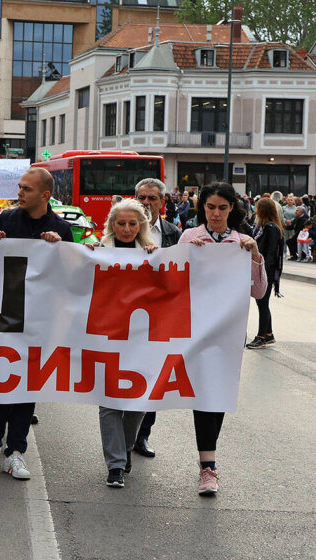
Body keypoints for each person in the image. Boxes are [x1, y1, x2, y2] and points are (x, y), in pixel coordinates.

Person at [0, 167, 73, 480]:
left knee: (27, 384)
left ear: (45, 195)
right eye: (19, 187)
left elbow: (72, 274)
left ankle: (15, 451)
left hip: (39, 320)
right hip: (5, 316)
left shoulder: (61, 227)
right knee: (1, 380)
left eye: (26, 189)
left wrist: (60, 249)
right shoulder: (5, 220)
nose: (19, 193)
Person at [180, 182, 266, 495]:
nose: (216, 214)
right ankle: (209, 466)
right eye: (211, 207)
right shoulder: (190, 237)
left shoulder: (242, 241)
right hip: (197, 331)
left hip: (229, 334)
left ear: (232, 210)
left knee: (220, 396)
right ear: (202, 208)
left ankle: (207, 459)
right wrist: (189, 257)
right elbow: (173, 283)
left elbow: (258, 291)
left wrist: (255, 256)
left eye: (223, 208)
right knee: (203, 395)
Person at [85, 198, 157, 488]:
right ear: (111, 225)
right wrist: (85, 255)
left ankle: (125, 448)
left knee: (139, 402)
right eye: (121, 223)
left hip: (142, 341)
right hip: (107, 338)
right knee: (110, 404)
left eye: (132, 223)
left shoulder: (155, 255)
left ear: (141, 225)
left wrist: (159, 259)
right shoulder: (98, 251)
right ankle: (115, 465)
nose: (127, 229)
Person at [131, 178, 182, 458]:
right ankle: (123, 438)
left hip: (159, 320)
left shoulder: (174, 234)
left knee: (153, 381)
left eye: (152, 198)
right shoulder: (123, 228)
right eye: (142, 197)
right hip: (127, 320)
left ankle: (143, 435)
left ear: (162, 202)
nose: (147, 203)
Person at [246, 198, 283, 349]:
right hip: (262, 269)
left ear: (264, 210)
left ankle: (261, 336)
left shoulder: (271, 228)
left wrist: (263, 272)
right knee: (262, 302)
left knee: (262, 303)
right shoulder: (263, 226)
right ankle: (268, 334)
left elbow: (271, 253)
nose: (255, 211)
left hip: (266, 270)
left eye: (258, 208)